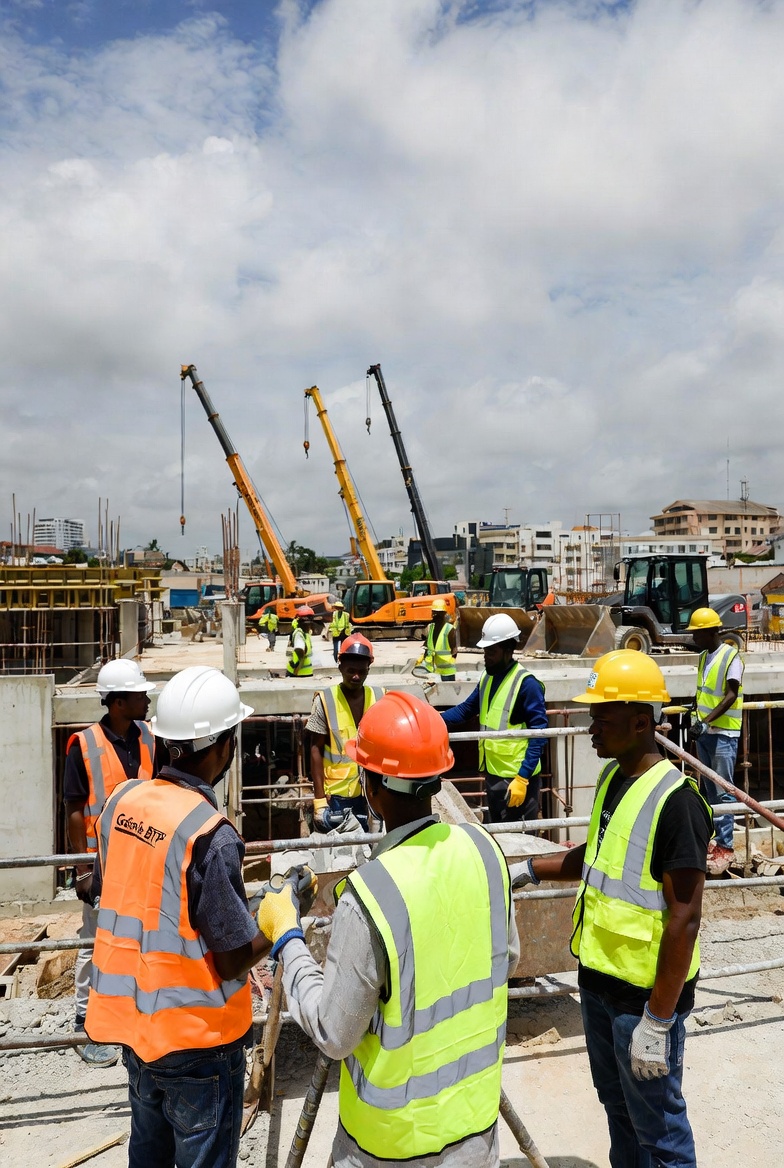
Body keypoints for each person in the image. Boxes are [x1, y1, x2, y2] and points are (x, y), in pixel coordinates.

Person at [256, 691, 519, 1168]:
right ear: (435, 781)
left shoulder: (371, 895)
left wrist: (287, 937)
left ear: (370, 789)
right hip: (475, 1132)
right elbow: (507, 959)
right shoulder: (485, 852)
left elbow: (334, 1032)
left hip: (391, 1146)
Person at [512, 650, 711, 1168]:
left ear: (641, 721)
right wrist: (533, 868)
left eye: (602, 716)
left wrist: (659, 1020)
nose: (591, 726)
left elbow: (684, 917)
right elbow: (596, 858)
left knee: (660, 1129)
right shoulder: (613, 779)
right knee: (620, 1113)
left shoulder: (678, 801)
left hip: (642, 1002)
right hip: (598, 985)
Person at [85, 665, 276, 1168]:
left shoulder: (121, 803)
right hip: (199, 1043)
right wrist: (278, 917)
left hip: (138, 1031)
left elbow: (130, 891)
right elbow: (234, 959)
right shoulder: (210, 834)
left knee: (147, 1156)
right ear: (221, 748)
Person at [63, 658, 158, 1067]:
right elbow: (73, 807)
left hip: (144, 858)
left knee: (139, 937)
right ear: (117, 702)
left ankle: (129, 1016)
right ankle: (87, 1022)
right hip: (102, 864)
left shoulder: (150, 738)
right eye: (139, 693)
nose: (146, 698)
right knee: (94, 941)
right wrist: (82, 868)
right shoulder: (83, 745)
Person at [441, 612, 547, 823]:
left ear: (509, 650)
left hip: (517, 780)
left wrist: (523, 778)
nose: (486, 656)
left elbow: (539, 733)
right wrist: (433, 719)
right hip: (493, 775)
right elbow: (465, 710)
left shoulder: (527, 685)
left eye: (492, 651)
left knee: (521, 840)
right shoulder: (487, 677)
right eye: (485, 651)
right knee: (500, 835)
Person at [687, 607, 744, 876]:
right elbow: (704, 692)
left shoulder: (731, 657)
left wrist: (706, 721)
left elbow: (731, 694)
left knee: (723, 790)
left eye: (697, 633)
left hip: (722, 734)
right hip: (707, 732)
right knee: (710, 791)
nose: (694, 638)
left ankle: (726, 845)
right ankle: (717, 842)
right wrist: (694, 711)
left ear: (712, 631)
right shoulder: (703, 657)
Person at [307, 633, 383, 832]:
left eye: (361, 671)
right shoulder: (325, 700)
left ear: (369, 668)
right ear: (340, 666)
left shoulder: (380, 697)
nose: (356, 676)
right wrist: (319, 799)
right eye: (350, 671)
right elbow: (316, 748)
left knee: (371, 849)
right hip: (338, 795)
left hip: (374, 791)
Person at [421, 597, 457, 681]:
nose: (435, 615)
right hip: (433, 671)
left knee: (447, 692)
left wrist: (450, 662)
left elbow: (454, 650)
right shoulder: (431, 627)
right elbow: (428, 646)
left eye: (438, 613)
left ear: (444, 614)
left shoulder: (449, 629)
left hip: (447, 672)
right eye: (434, 612)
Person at [287, 606, 314, 677]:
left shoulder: (304, 634)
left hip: (301, 672)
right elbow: (300, 649)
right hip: (301, 672)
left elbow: (302, 652)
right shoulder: (300, 634)